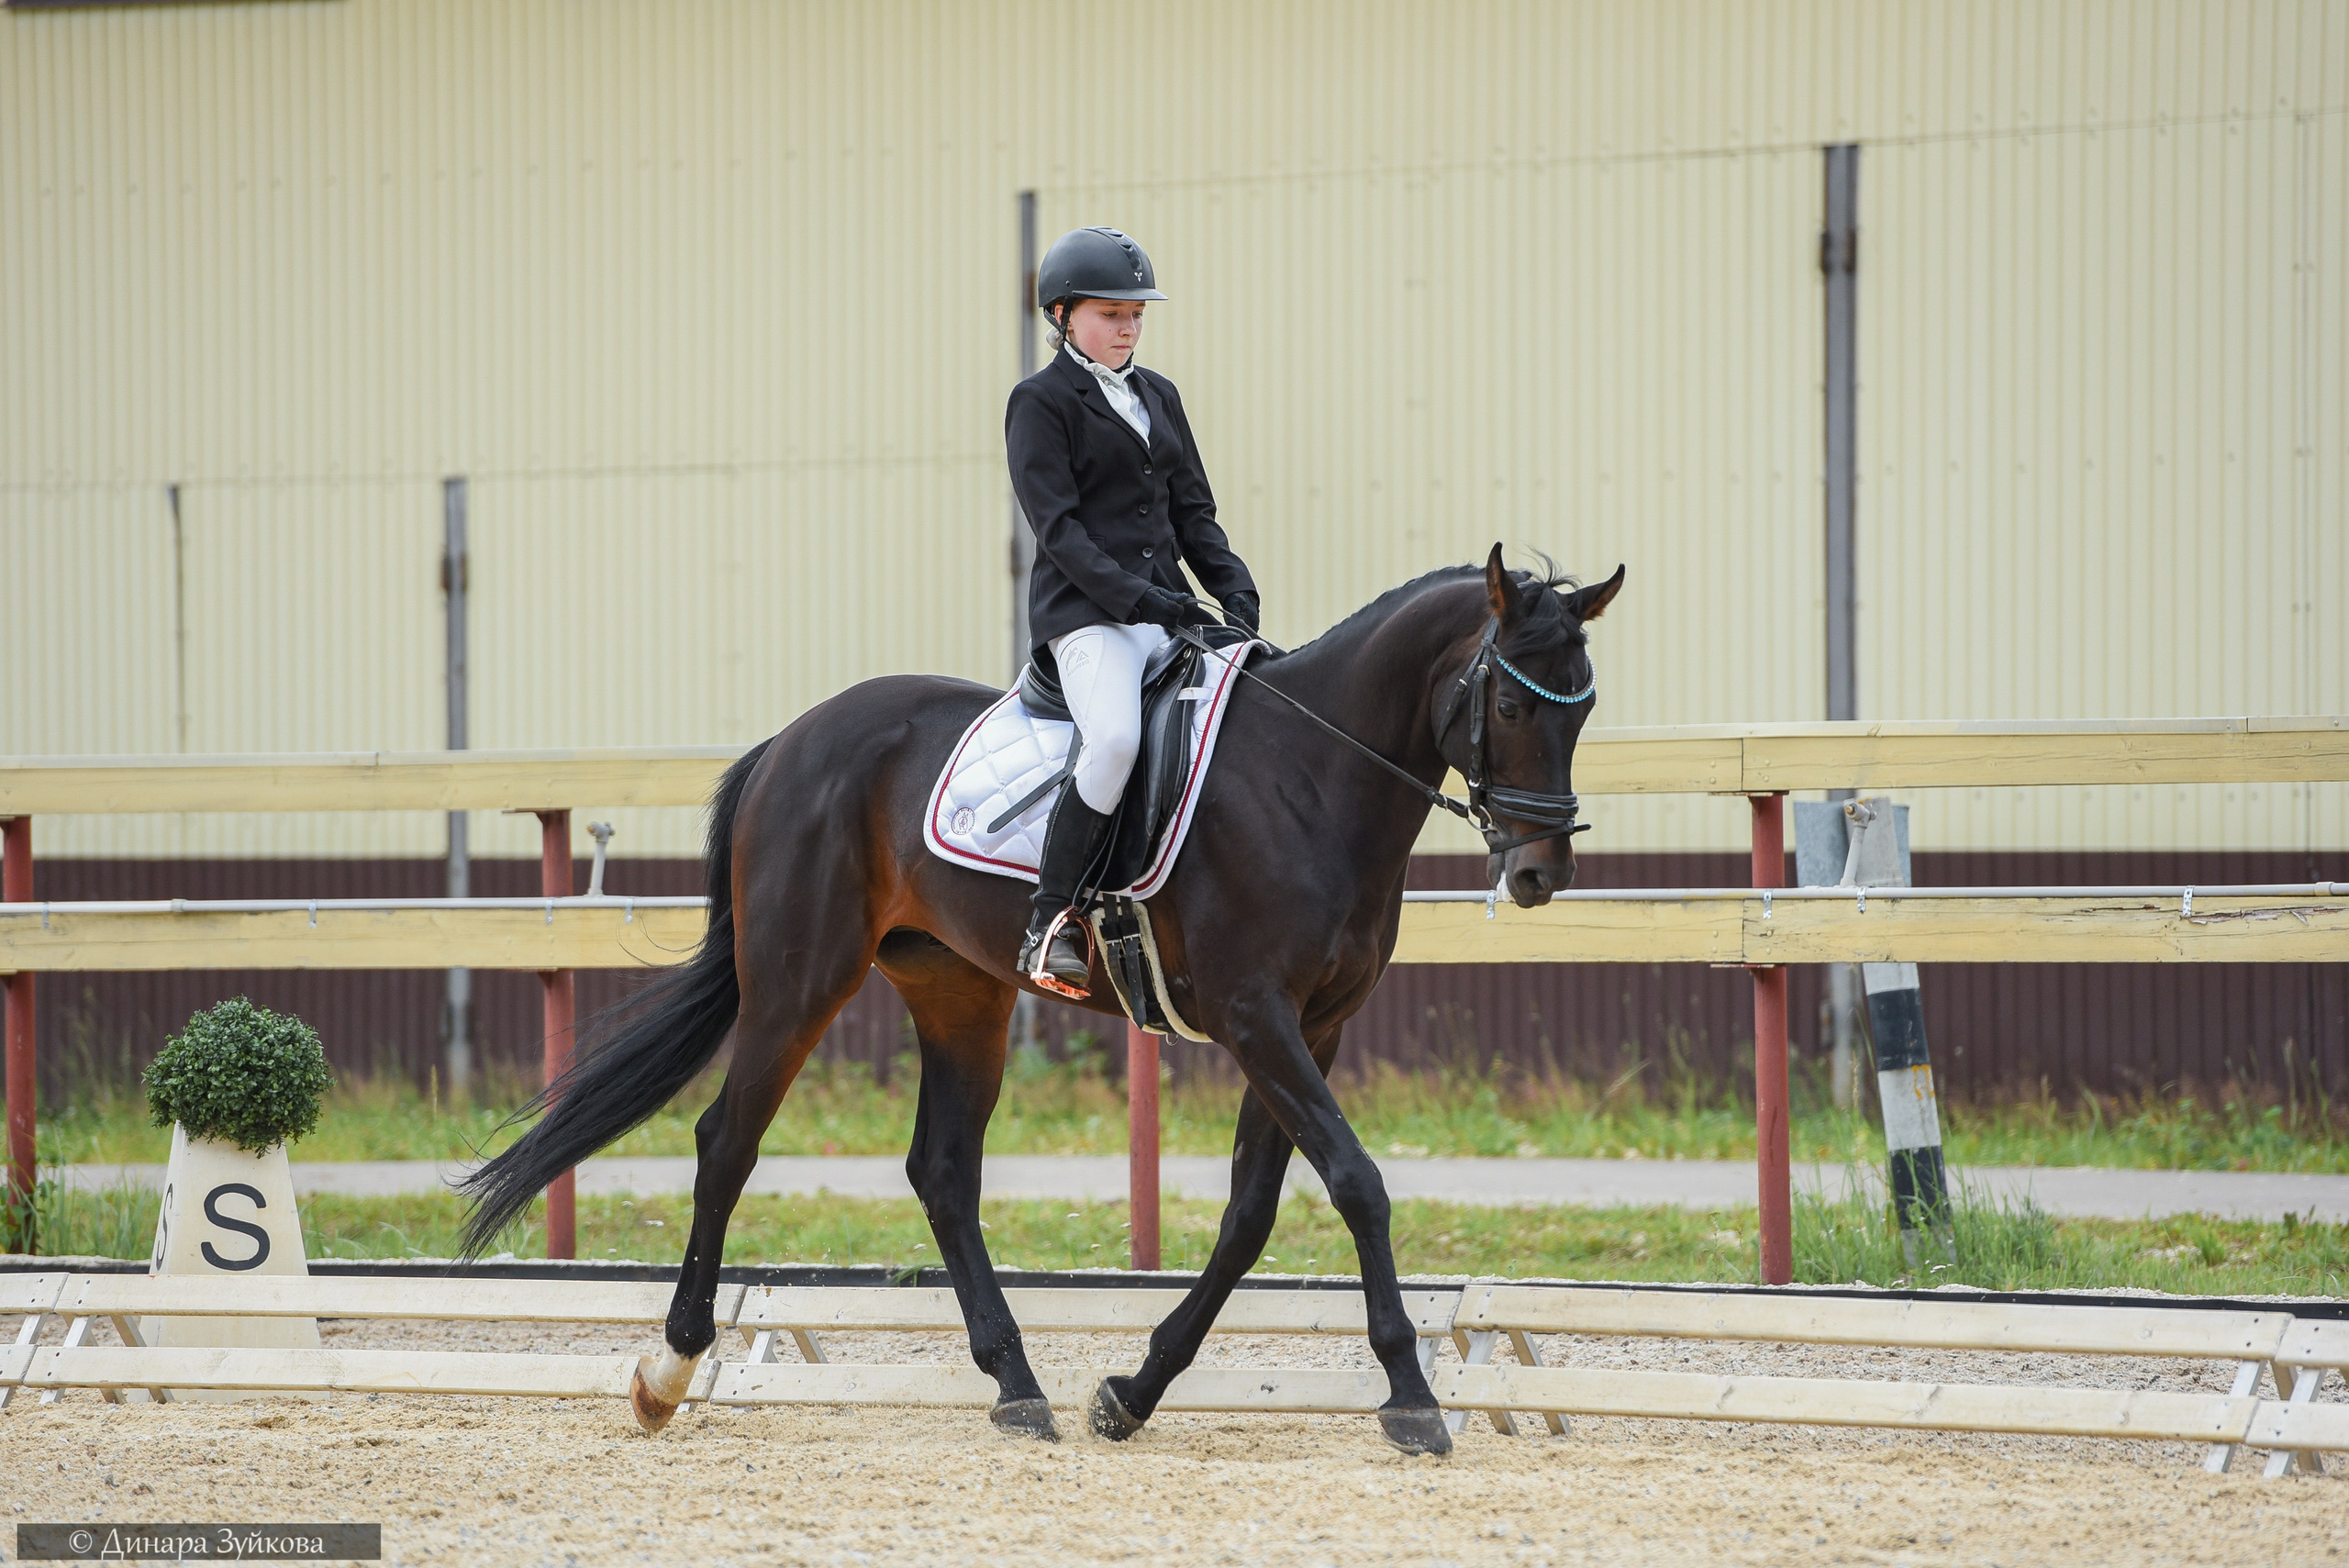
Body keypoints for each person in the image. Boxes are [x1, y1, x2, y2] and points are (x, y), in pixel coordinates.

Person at [1005, 226, 1261, 998]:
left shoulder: (1159, 395)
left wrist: (1236, 589)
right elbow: (1061, 533)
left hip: (1167, 611)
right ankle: (1051, 923)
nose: (1128, 327)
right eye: (1111, 314)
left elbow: (1194, 513)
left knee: (1257, 712)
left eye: (1136, 315)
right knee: (1115, 738)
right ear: (1062, 314)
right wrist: (1144, 601)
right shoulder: (1039, 403)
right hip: (1087, 618)